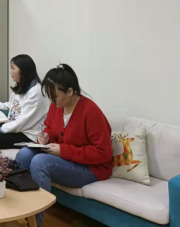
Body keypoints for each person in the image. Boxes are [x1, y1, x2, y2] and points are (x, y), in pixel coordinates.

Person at [15, 64, 112, 227]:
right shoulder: (56, 106)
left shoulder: (91, 111)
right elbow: (50, 128)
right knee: (24, 154)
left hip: (92, 168)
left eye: (54, 96)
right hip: (67, 159)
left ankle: (34, 223)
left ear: (70, 91)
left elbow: (103, 153)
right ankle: (19, 210)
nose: (51, 101)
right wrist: (45, 138)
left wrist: (63, 150)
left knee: (40, 162)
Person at [0, 54, 49, 155]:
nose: (11, 72)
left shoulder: (36, 92)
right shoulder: (23, 86)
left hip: (28, 134)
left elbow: (22, 122)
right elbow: (13, 105)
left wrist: (0, 129)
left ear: (23, 70)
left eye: (13, 68)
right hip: (16, 128)